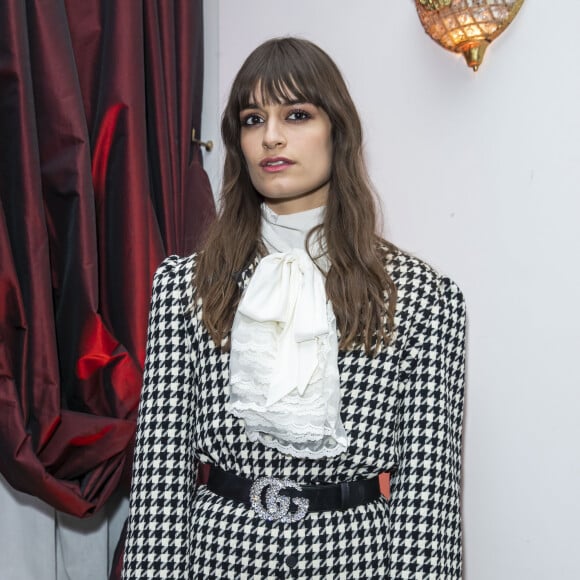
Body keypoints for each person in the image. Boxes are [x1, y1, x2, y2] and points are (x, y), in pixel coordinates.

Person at [122, 37, 466, 579]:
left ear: (338, 131)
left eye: (297, 114)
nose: (272, 136)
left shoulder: (421, 299)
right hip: (217, 561)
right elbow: (159, 483)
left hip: (356, 563)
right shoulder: (184, 287)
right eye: (253, 118)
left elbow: (429, 501)